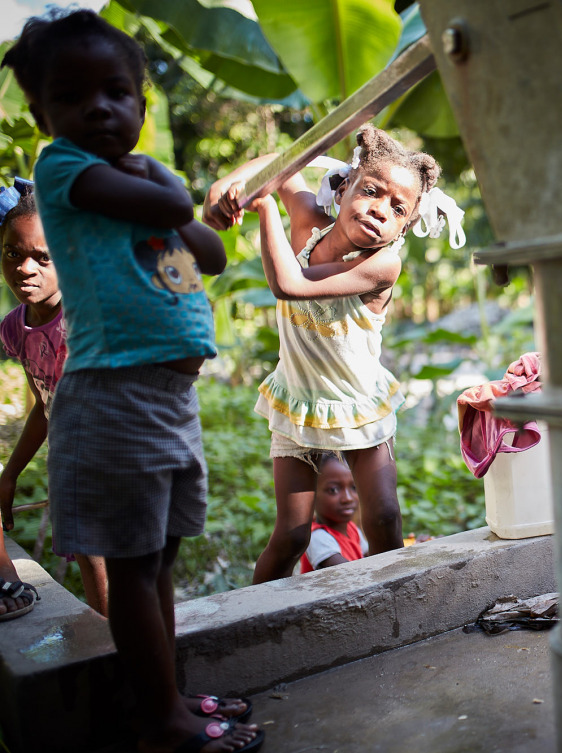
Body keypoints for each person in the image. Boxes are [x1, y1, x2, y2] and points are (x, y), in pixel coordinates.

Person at [1, 9, 262, 753]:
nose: (99, 108)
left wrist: (173, 198)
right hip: (113, 398)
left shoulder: (136, 187)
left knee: (160, 563)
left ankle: (168, 696)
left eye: (117, 91)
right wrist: (161, 182)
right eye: (73, 95)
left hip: (168, 402)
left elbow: (204, 252)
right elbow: (177, 208)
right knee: (137, 569)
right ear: (44, 113)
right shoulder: (65, 169)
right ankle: (162, 723)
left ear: (143, 105)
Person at [204, 124, 461, 584]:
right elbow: (283, 164)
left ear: (404, 227)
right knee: (292, 534)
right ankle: (253, 618)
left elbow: (290, 285)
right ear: (342, 189)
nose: (380, 209)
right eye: (370, 191)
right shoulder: (306, 221)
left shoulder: (382, 265)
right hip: (299, 400)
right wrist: (226, 187)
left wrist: (261, 206)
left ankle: (390, 616)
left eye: (397, 208)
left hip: (358, 404)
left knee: (383, 520)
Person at [0, 183, 109, 618]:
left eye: (43, 258)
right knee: (93, 570)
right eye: (13, 253)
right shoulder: (14, 329)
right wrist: (10, 474)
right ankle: (113, 656)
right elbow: (45, 407)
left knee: (113, 573)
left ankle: (123, 664)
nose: (25, 268)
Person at [300, 455, 368, 573]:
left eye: (354, 488)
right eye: (333, 490)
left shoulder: (352, 529)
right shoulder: (317, 537)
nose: (348, 498)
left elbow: (371, 558)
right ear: (312, 494)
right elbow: (350, 574)